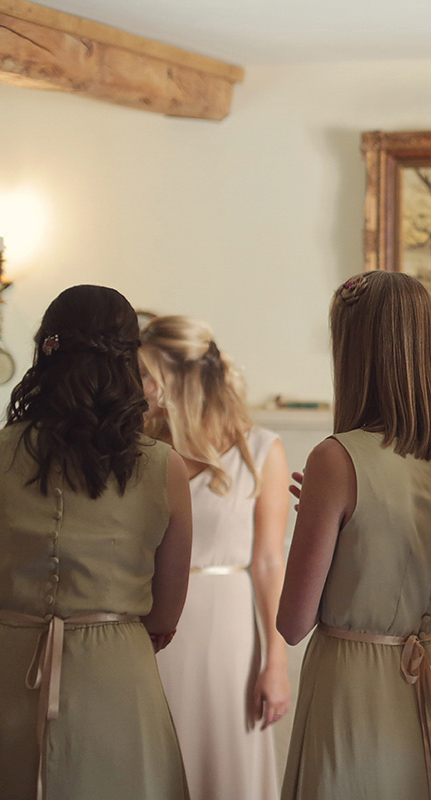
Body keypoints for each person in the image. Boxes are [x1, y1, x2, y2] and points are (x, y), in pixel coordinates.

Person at [277, 270, 431, 800]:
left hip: (354, 692)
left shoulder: (336, 458)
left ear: (352, 353)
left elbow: (292, 622)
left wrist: (324, 524)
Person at [0, 285, 193, 800]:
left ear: (46, 349)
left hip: (10, 665)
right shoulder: (163, 466)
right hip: (117, 676)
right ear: (130, 361)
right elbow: (165, 617)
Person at [139, 315, 291, 800]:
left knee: (226, 765)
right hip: (148, 627)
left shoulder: (261, 449)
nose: (136, 385)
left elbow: (269, 562)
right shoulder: (142, 449)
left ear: (174, 379)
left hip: (227, 632)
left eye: (144, 373)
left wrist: (277, 661)